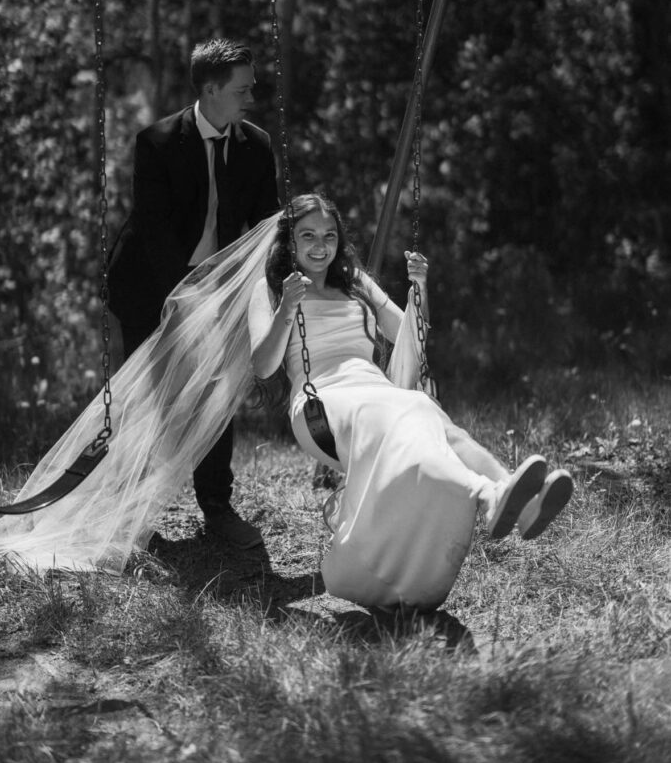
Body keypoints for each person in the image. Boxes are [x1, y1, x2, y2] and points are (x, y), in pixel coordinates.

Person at [247, 194, 574, 612]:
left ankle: (507, 499)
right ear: (288, 242)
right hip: (323, 403)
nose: (319, 246)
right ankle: (489, 494)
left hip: (375, 390)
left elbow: (409, 333)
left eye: (329, 236)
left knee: (432, 417)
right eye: (307, 236)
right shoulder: (271, 290)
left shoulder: (355, 283)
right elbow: (263, 364)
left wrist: (420, 289)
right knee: (411, 407)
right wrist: (287, 308)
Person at [108, 37, 279, 549]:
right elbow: (154, 230)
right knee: (149, 400)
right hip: (148, 287)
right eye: (242, 89)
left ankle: (218, 510)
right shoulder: (156, 142)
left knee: (218, 393)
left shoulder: (258, 145)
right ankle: (133, 516)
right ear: (210, 89)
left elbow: (266, 227)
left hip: (221, 290)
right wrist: (182, 298)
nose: (251, 97)